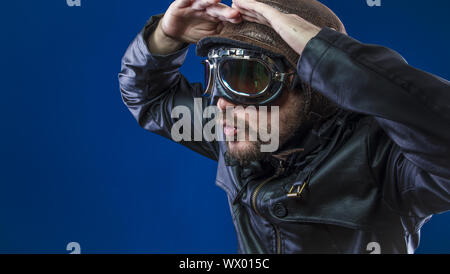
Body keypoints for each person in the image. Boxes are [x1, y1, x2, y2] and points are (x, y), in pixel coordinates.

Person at [118, 0, 450, 253]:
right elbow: (150, 98)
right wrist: (165, 37)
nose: (220, 104)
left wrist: (321, 49)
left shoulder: (390, 162)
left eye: (246, 77)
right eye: (214, 75)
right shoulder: (245, 132)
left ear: (315, 88)